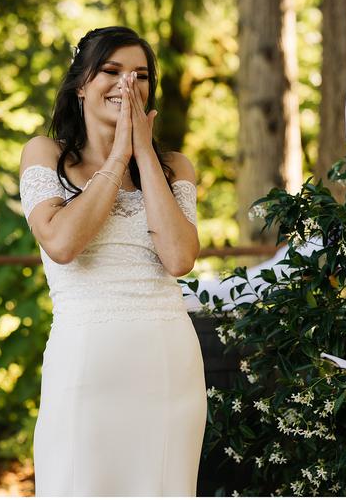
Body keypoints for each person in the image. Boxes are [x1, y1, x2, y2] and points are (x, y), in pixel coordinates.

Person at [18, 26, 206, 496]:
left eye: (141, 76)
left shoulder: (174, 168)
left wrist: (142, 152)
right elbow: (62, 244)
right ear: (81, 84)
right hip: (87, 363)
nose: (128, 84)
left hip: (167, 365)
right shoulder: (43, 155)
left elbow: (180, 257)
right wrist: (117, 155)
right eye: (112, 71)